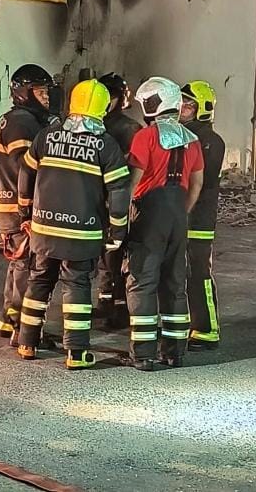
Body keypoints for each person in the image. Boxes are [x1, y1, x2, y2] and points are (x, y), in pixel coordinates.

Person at [15, 79, 131, 369]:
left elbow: (25, 173)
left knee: (39, 280)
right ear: (103, 108)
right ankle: (77, 353)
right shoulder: (105, 145)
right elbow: (119, 190)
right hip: (82, 231)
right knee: (76, 285)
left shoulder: (46, 136)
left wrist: (25, 212)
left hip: (44, 229)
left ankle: (27, 342)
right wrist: (118, 229)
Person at [126, 77, 205, 371]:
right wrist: (181, 211)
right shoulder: (192, 139)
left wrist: (122, 213)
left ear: (153, 104)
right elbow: (197, 183)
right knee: (174, 282)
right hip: (178, 214)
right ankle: (175, 352)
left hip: (149, 214)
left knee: (143, 281)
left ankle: (143, 353)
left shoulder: (144, 137)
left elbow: (134, 181)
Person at [0, 64, 56, 343]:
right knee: (28, 266)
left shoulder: (19, 118)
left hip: (9, 206)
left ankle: (9, 319)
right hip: (19, 208)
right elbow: (25, 168)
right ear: (23, 93)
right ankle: (22, 326)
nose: (46, 98)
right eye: (40, 92)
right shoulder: (22, 122)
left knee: (19, 265)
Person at [95, 72, 144, 329]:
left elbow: (135, 169)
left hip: (118, 198)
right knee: (105, 255)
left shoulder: (129, 129)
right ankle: (106, 303)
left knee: (117, 255)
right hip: (100, 199)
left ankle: (120, 308)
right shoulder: (101, 125)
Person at [180, 80, 226, 350]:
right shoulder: (180, 135)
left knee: (199, 274)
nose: (183, 108)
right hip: (178, 216)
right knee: (178, 274)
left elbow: (202, 180)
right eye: (182, 103)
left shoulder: (211, 142)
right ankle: (182, 324)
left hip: (198, 219)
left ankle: (207, 329)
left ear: (203, 109)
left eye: (190, 104)